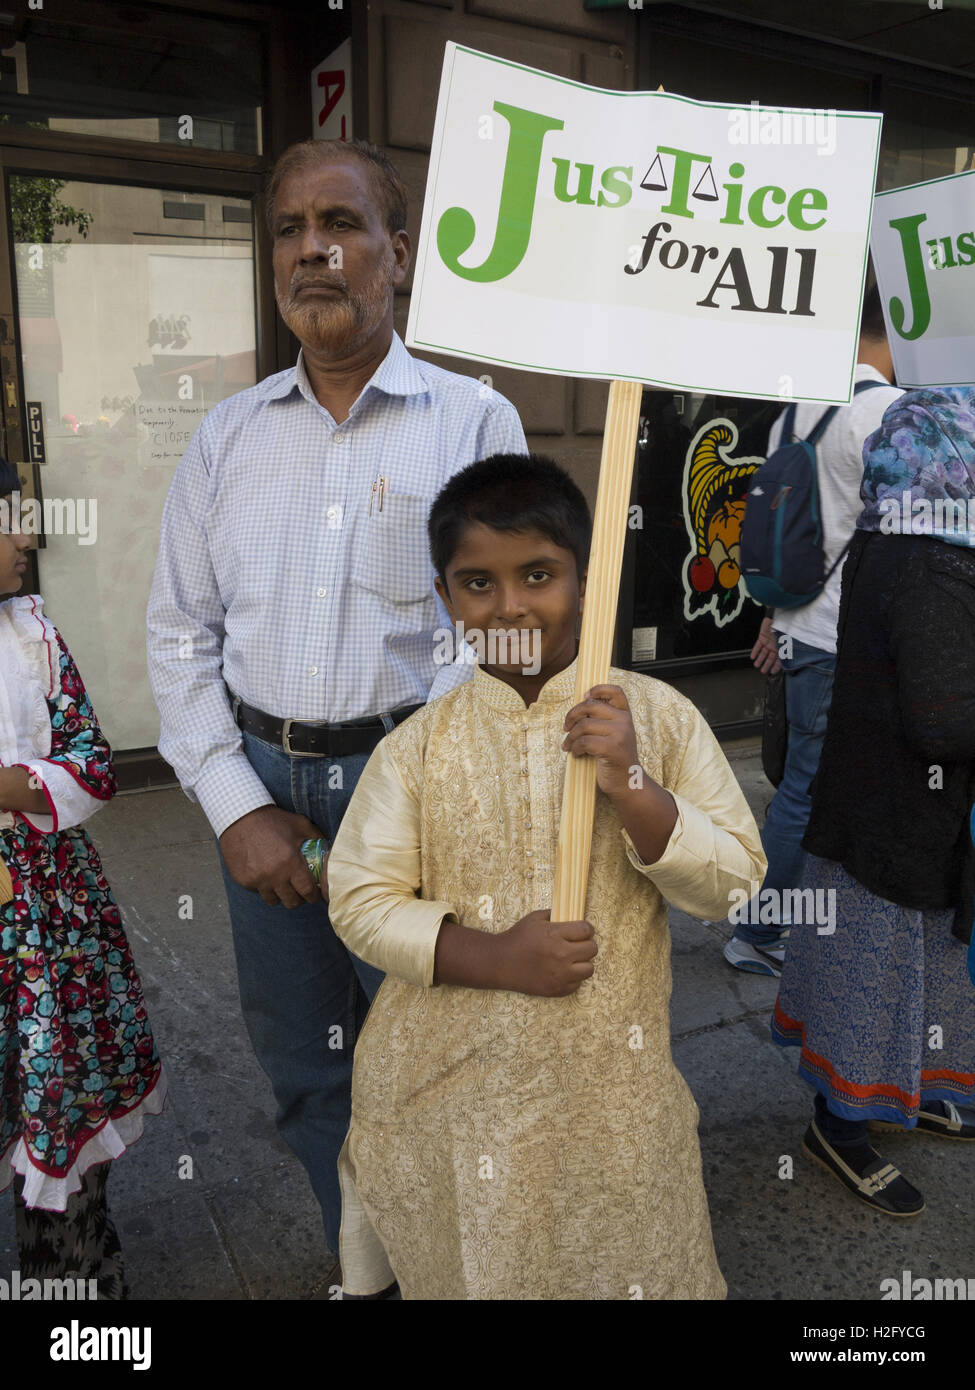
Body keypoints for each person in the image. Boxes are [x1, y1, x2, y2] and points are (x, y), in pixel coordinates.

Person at [145, 138, 527, 1264]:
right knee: (308, 1068)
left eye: (342, 224)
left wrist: (404, 795)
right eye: (288, 228)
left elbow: (500, 631)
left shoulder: (471, 423)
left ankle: (454, 1271)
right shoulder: (225, 439)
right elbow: (178, 635)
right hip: (261, 790)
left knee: (437, 1054)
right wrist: (234, 806)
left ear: (396, 255)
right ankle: (364, 1268)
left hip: (409, 789)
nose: (313, 248)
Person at [326, 453, 766, 1299]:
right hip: (451, 1090)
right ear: (445, 596)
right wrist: (492, 957)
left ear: (587, 580)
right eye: (476, 583)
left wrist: (635, 789)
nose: (511, 605)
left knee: (624, 1257)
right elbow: (359, 900)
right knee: (484, 1265)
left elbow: (736, 883)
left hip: (612, 1092)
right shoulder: (418, 747)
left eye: (538, 574)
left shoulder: (658, 718)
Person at [772, 388, 975, 1216]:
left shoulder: (891, 536)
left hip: (878, 814)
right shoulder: (935, 563)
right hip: (894, 824)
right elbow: (940, 721)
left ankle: (900, 1095)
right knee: (873, 983)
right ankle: (839, 1131)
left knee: (897, 980)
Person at [0, 457, 164, 1296]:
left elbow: (92, 765)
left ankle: (69, 1289)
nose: (27, 536)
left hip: (47, 914)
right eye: (9, 517)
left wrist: (8, 784)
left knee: (57, 1087)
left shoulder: (34, 637)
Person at [725, 284, 902, 975]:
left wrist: (774, 617)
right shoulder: (885, 411)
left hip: (800, 624)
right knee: (810, 788)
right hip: (844, 638)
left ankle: (790, 920)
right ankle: (759, 931)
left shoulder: (793, 412)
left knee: (807, 784)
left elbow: (786, 531)